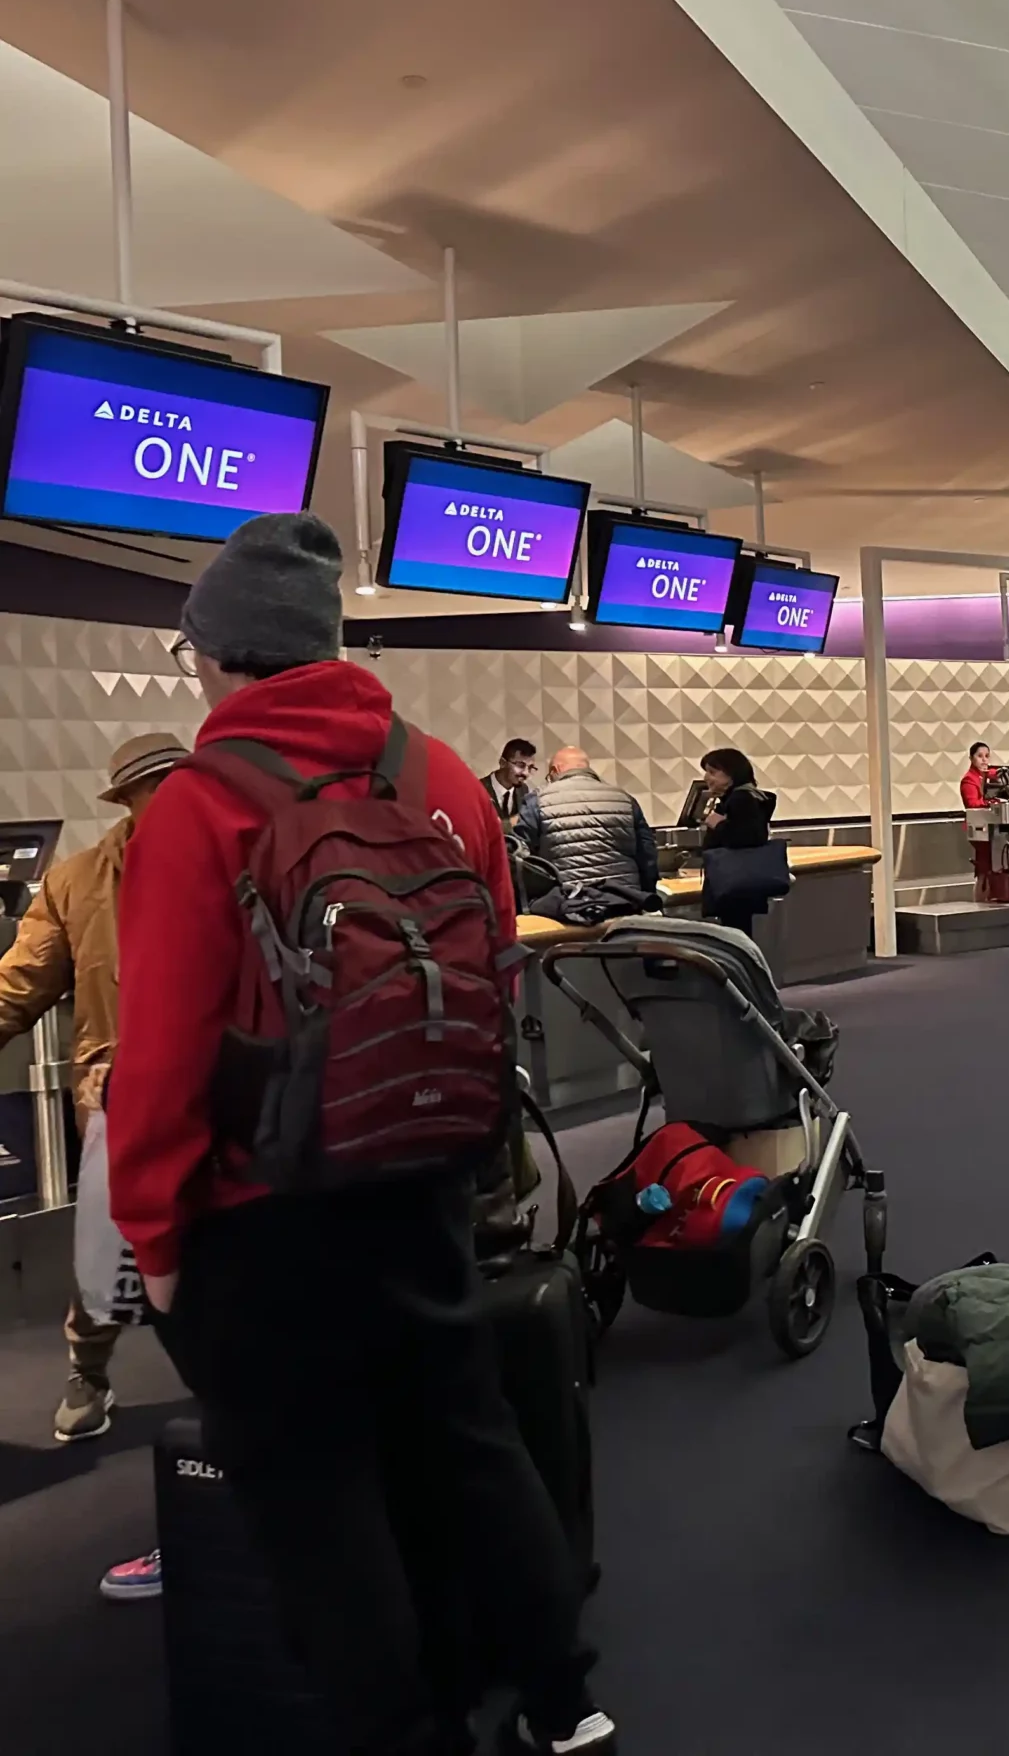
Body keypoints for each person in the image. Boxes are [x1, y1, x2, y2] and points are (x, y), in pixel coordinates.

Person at [108, 513, 616, 1756]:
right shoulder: (438, 775)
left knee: (318, 1506)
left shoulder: (197, 805)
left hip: (259, 1216)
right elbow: (494, 970)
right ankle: (564, 1702)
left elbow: (161, 1057)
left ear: (221, 656)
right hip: (424, 1178)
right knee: (469, 1442)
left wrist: (153, 1241)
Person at [0, 731, 186, 1461]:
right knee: (112, 1249)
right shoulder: (76, 880)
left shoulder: (241, 866)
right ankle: (88, 1374)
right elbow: (18, 986)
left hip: (226, 1084)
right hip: (120, 1095)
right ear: (129, 801)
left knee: (241, 1241)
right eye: (158, 788)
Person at [513, 745, 658, 924]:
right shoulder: (624, 798)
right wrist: (644, 896)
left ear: (554, 771)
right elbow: (648, 855)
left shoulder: (537, 800)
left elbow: (521, 859)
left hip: (571, 907)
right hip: (625, 904)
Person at [696, 747, 781, 934]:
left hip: (734, 880)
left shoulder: (741, 798)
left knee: (736, 933)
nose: (706, 778)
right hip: (739, 881)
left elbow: (748, 836)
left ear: (731, 773)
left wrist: (717, 824)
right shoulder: (746, 796)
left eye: (712, 772)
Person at [959, 740, 1009, 904]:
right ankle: (980, 900)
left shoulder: (990, 776)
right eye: (980, 756)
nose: (984, 760)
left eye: (987, 756)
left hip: (993, 827)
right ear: (971, 758)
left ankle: (993, 895)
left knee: (992, 865)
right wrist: (991, 803)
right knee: (984, 866)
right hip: (980, 828)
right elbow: (972, 804)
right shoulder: (969, 780)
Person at [484, 737, 539, 824]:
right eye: (520, 765)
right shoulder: (478, 789)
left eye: (530, 768)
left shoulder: (524, 790)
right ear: (502, 763)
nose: (526, 773)